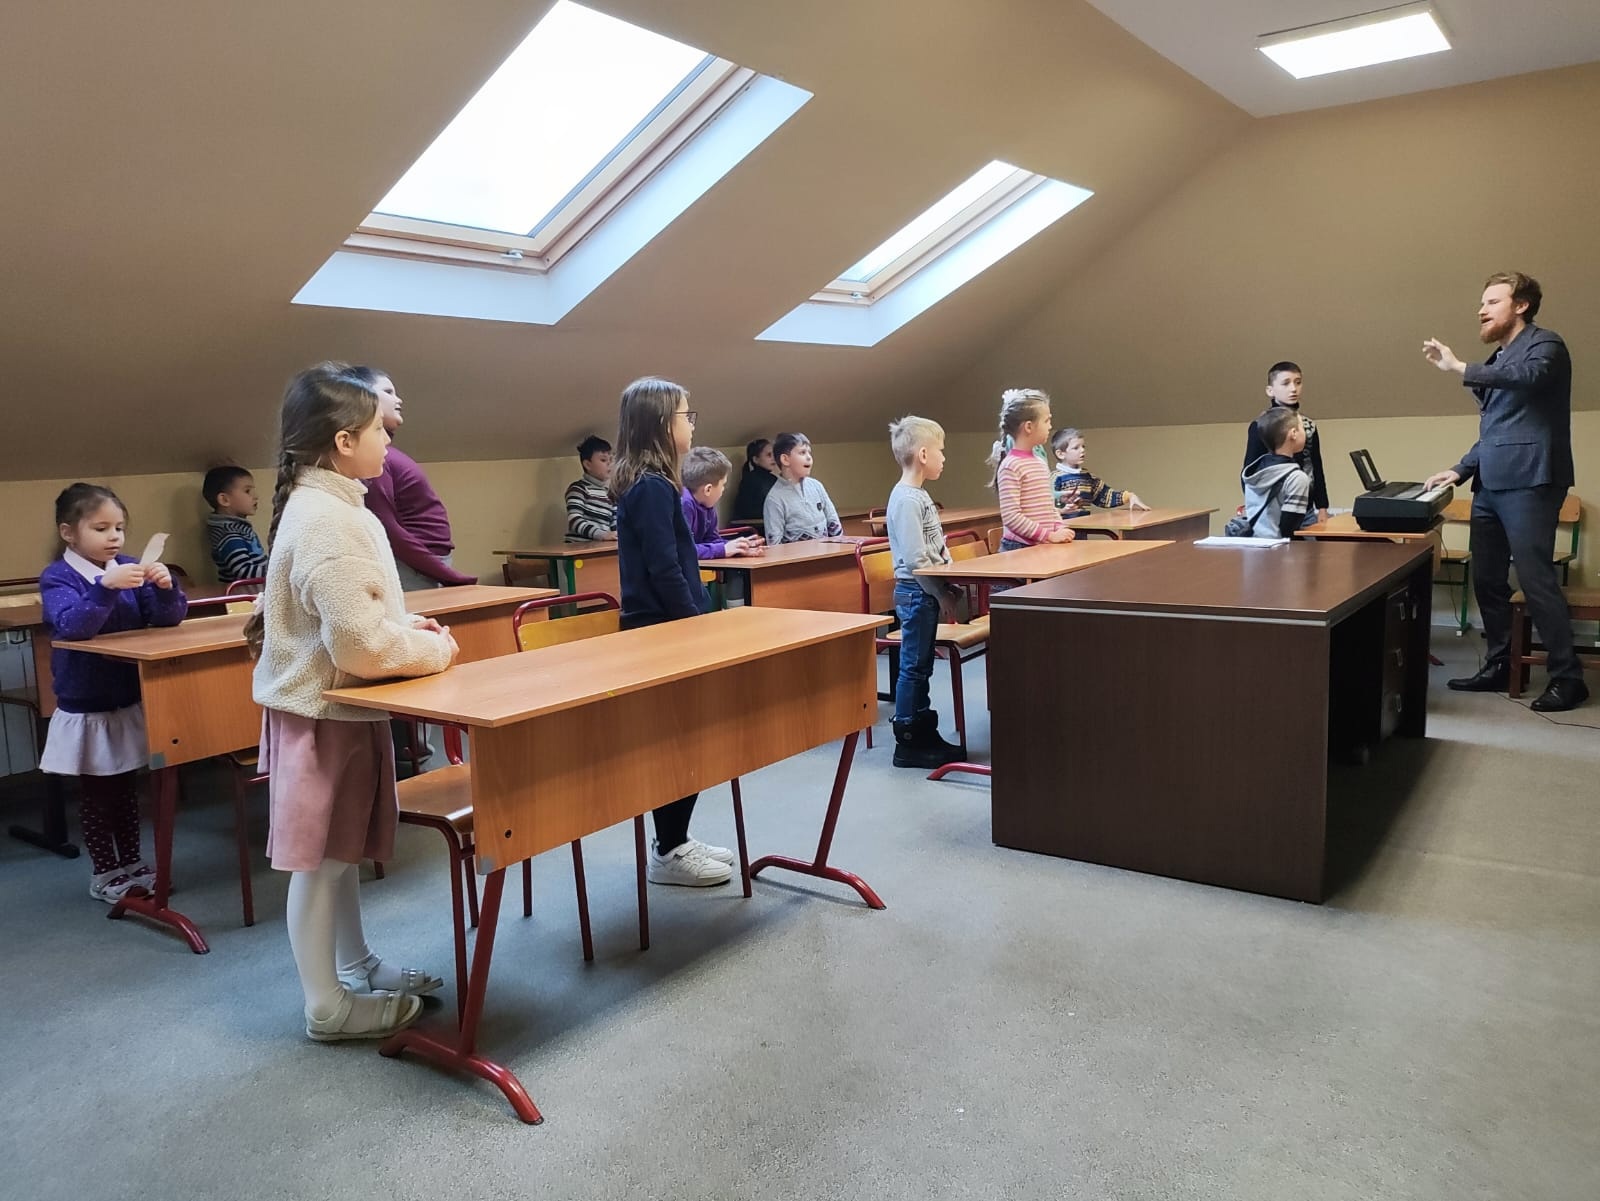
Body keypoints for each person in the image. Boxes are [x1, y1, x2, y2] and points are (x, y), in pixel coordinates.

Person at [248, 362, 460, 1042]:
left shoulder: (335, 503)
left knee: (337, 856)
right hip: (323, 717)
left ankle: (356, 965)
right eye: (378, 431)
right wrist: (434, 649)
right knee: (321, 863)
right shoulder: (328, 518)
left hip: (333, 710)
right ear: (343, 441)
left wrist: (403, 625)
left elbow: (352, 618)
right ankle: (327, 1007)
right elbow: (361, 649)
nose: (388, 442)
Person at [1420, 271, 1586, 712]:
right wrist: (1459, 470)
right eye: (1482, 302)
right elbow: (1496, 430)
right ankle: (1501, 664)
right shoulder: (1497, 359)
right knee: (1488, 579)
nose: (1482, 310)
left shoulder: (1546, 345)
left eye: (1492, 301)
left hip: (1532, 480)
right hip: (1490, 485)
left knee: (1534, 580)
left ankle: (1568, 678)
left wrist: (1460, 368)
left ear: (1521, 305)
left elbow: (1528, 377)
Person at [611, 377, 737, 885]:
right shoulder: (650, 488)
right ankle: (668, 852)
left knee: (691, 740)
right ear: (663, 424)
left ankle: (676, 838)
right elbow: (664, 569)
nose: (691, 423)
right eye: (687, 415)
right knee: (677, 744)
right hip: (661, 631)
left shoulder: (660, 484)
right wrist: (695, 625)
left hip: (669, 626)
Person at [39, 483, 188, 901]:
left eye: (119, 528)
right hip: (89, 705)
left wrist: (166, 588)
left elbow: (167, 619)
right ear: (69, 533)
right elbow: (72, 625)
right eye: (101, 528)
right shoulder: (58, 577)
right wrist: (106, 586)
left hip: (126, 698)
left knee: (126, 789)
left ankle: (133, 863)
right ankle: (105, 873)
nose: (114, 538)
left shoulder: (127, 566)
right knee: (98, 794)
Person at [352, 365, 475, 591]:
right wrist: (448, 575)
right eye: (388, 392)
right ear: (365, 398)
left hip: (425, 565)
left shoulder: (384, 453)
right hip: (413, 567)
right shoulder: (374, 458)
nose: (398, 399)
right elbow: (388, 529)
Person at [885, 417, 964, 769]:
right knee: (914, 667)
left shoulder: (919, 495)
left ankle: (922, 729)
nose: (944, 458)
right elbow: (918, 560)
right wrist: (940, 592)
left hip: (925, 590)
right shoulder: (905, 500)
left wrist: (948, 583)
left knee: (922, 665)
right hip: (915, 592)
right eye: (940, 451)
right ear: (922, 455)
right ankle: (908, 741)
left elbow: (936, 547)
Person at [1241, 362, 1329, 525]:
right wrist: (1253, 506)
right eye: (1285, 383)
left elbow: (1316, 466)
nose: (1293, 389)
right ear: (1270, 391)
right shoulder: (1261, 425)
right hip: (1272, 508)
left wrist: (1322, 507)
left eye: (1298, 382)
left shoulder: (1308, 425)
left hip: (1306, 508)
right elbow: (1250, 469)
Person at [987, 388, 1075, 551]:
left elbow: (1048, 505)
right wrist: (1048, 535)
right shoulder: (1010, 466)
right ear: (1029, 427)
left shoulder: (1039, 462)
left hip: (1040, 544)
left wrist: (1059, 527)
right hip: (1018, 548)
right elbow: (1011, 517)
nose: (1050, 426)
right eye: (1046, 421)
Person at [1238, 407, 1312, 538]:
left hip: (1254, 545)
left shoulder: (1254, 471)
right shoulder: (1297, 478)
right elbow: (1289, 528)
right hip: (1279, 547)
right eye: (1302, 428)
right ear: (1293, 433)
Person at [680, 447, 763, 560]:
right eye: (723, 485)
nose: (724, 489)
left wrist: (738, 547)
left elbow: (712, 540)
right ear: (708, 490)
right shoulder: (684, 504)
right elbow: (683, 551)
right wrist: (723, 549)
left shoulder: (707, 505)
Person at [763, 432, 844, 543]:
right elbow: (774, 543)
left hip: (827, 552)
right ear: (785, 460)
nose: (809, 457)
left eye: (809, 453)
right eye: (802, 452)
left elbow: (833, 520)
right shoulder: (774, 499)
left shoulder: (816, 486)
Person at [1050, 428, 1148, 516]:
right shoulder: (1055, 478)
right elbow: (1046, 506)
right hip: (1061, 528)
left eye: (1083, 446)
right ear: (1060, 454)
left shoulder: (1088, 477)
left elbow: (1105, 496)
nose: (1082, 450)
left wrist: (1129, 496)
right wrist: (1061, 510)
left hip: (1083, 527)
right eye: (1076, 448)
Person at [202, 465, 270, 584]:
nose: (255, 496)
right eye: (247, 491)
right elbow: (244, 572)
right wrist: (278, 571)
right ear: (224, 500)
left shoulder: (237, 527)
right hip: (243, 593)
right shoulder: (229, 534)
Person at [565, 435, 618, 542]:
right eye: (603, 460)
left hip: (600, 546)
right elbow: (575, 521)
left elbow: (615, 524)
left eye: (611, 459)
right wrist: (602, 535)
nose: (609, 463)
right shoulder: (578, 489)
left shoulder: (610, 493)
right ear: (588, 465)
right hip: (578, 546)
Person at [732, 438, 778, 526]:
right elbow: (747, 511)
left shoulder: (773, 479)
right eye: (769, 455)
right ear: (756, 459)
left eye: (774, 454)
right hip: (754, 526)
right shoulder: (750, 480)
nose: (773, 458)